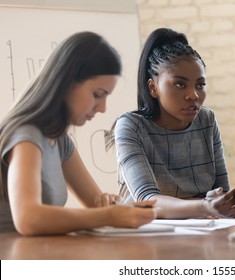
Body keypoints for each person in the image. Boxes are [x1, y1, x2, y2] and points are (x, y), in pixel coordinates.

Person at [0, 31, 156, 236]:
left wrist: (112, 206)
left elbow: (95, 203)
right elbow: (28, 219)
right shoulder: (26, 135)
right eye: (97, 95)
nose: (102, 108)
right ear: (67, 83)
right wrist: (110, 215)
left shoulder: (60, 140)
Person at [111, 27, 235, 219]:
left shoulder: (206, 120)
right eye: (180, 84)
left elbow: (220, 190)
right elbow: (147, 201)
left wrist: (225, 201)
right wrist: (206, 206)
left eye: (200, 84)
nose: (194, 95)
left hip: (200, 232)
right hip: (144, 234)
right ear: (153, 87)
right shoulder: (131, 126)